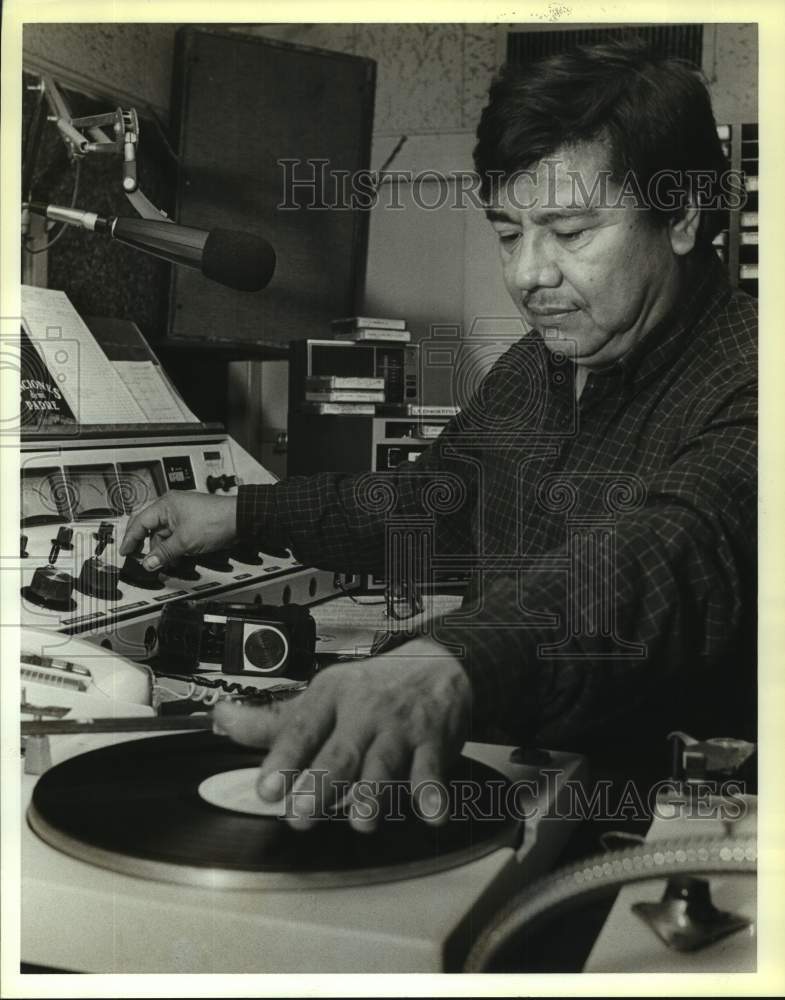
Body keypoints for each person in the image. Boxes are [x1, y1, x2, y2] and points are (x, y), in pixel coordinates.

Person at [121, 40, 757, 831]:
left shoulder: (754, 374)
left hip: (639, 828)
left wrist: (448, 664)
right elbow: (436, 499)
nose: (526, 275)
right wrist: (242, 515)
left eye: (568, 232)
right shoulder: (539, 364)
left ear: (682, 216)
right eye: (507, 233)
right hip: (500, 792)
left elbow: (675, 550)